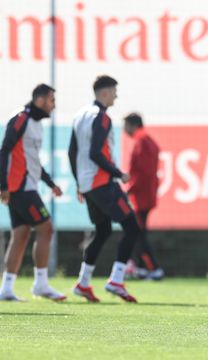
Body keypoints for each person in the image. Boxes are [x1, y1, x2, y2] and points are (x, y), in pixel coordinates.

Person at [69, 75, 141, 303]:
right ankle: (116, 280)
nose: (116, 96)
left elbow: (73, 152)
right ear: (105, 92)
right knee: (132, 227)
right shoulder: (101, 117)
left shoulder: (80, 115)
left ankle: (83, 282)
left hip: (88, 184)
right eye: (114, 91)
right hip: (102, 183)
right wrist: (118, 173)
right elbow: (95, 153)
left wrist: (79, 182)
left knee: (103, 231)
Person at [0, 84, 66, 301]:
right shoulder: (21, 118)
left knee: (21, 235)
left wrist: (50, 183)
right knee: (47, 229)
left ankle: (7, 289)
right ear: (40, 100)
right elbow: (4, 150)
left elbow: (33, 162)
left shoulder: (37, 125)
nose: (53, 105)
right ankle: (41, 284)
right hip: (20, 188)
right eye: (51, 100)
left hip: (27, 186)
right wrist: (3, 185)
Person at [123, 112, 164, 281]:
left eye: (126, 126)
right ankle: (141, 268)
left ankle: (154, 269)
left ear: (132, 125)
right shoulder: (147, 141)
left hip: (141, 197)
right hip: (145, 195)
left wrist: (129, 189)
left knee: (138, 234)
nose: (125, 130)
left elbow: (142, 172)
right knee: (139, 232)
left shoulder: (142, 142)